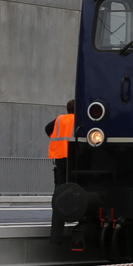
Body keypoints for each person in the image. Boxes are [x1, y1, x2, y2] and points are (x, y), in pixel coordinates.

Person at [45, 100, 75, 245]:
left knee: (59, 194)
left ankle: (56, 235)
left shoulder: (59, 119)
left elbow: (47, 128)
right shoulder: (79, 120)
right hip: (74, 159)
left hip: (59, 159)